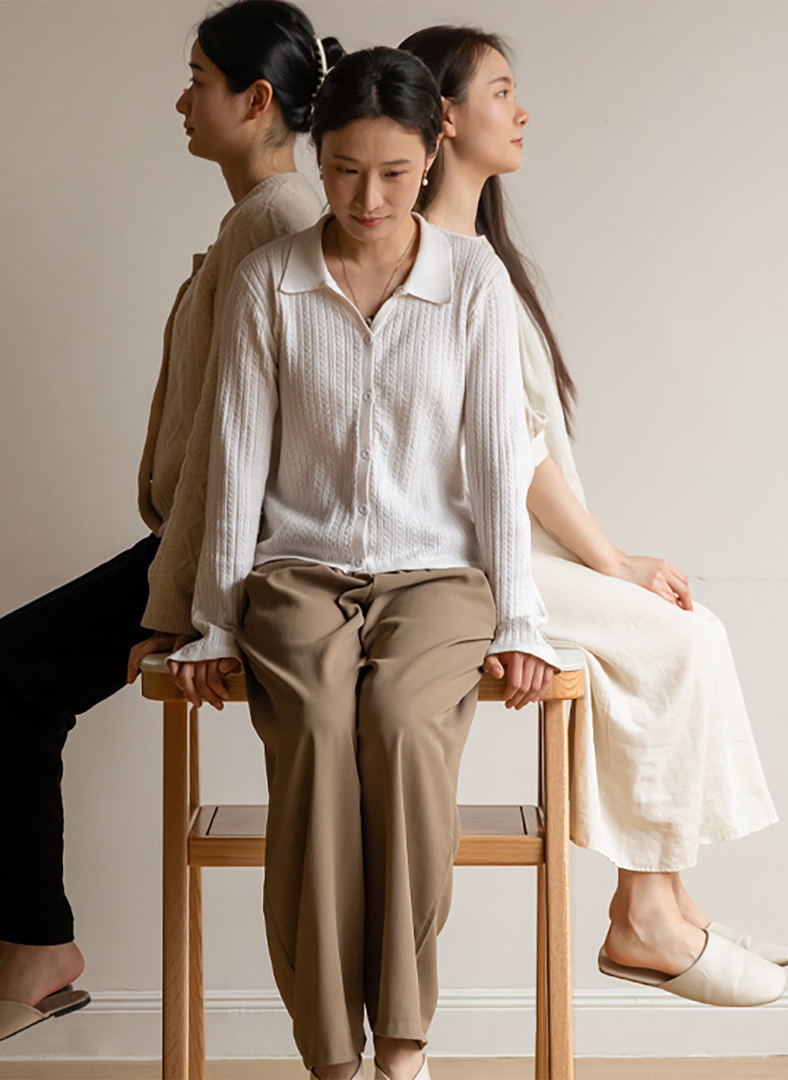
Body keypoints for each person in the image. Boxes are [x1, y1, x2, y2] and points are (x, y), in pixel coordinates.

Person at [0, 0, 341, 1056]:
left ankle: (36, 950)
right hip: (198, 542)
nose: (180, 97)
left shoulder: (275, 222)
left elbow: (266, 439)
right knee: (7, 673)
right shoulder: (258, 219)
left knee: (5, 672)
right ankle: (29, 946)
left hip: (227, 553)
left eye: (197, 77)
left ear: (255, 100)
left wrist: (190, 608)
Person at [168, 44, 559, 1080]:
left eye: (393, 171)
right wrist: (214, 621)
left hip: (438, 579)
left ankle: (403, 1044)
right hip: (297, 575)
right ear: (319, 154)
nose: (368, 195)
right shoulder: (266, 282)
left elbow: (494, 461)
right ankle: (333, 1057)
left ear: (432, 154)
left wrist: (519, 620)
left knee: (397, 727)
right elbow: (235, 466)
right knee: (319, 734)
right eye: (343, 169)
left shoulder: (471, 279)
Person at [400, 25, 788, 1007]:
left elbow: (526, 444)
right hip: (468, 564)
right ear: (444, 118)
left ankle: (662, 901)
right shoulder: (436, 261)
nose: (521, 109)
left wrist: (610, 558)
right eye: (499, 90)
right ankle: (646, 913)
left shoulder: (478, 254)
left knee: (680, 629)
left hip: (511, 549)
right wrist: (611, 562)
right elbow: (507, 451)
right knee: (682, 640)